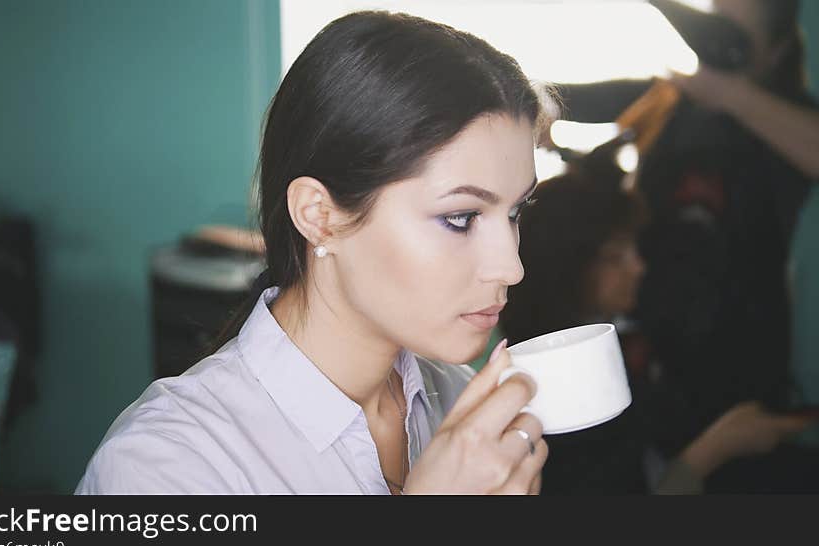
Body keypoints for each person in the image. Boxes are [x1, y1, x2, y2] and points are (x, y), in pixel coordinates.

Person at [76, 11, 549, 495]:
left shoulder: (463, 405)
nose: (510, 267)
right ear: (319, 215)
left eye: (514, 212)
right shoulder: (163, 466)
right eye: (461, 218)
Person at [551, 0, 818, 467]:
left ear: (776, 50)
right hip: (657, 350)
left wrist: (731, 95)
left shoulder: (782, 116)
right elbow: (592, 100)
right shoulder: (675, 102)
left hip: (740, 362)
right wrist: (536, 103)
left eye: (732, 28)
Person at [500, 154, 819, 494]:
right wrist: (715, 448)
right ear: (566, 268)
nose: (638, 266)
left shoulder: (625, 337)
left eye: (632, 249)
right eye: (615, 256)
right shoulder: (556, 382)